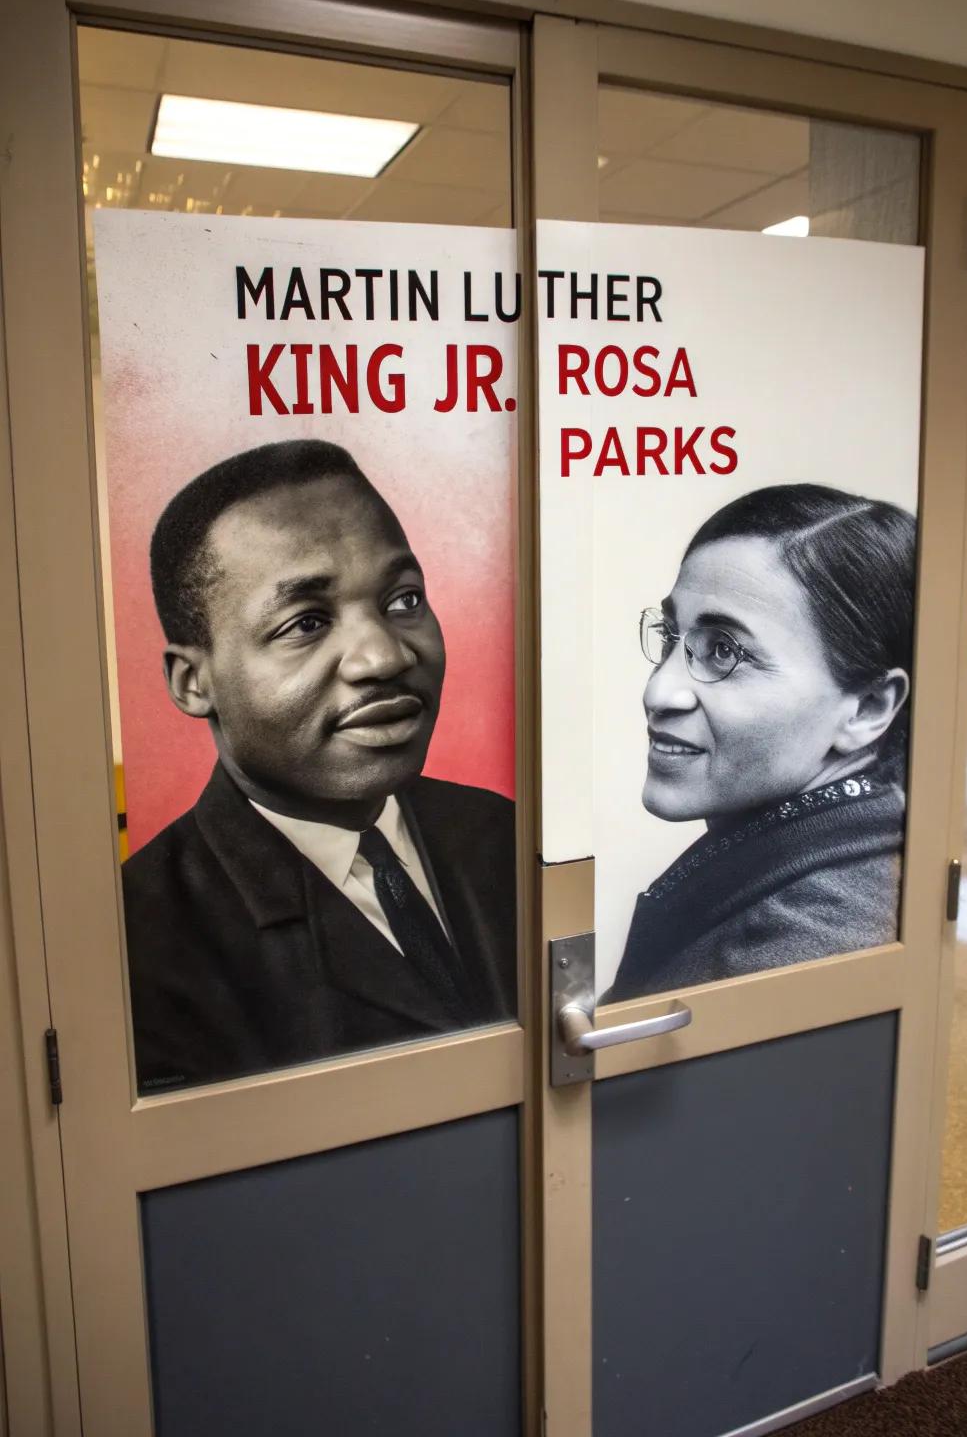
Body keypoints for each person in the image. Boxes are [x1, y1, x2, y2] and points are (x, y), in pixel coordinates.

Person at [123, 439, 516, 1092]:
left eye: (403, 601)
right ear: (194, 682)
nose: (383, 658)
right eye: (306, 622)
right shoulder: (135, 944)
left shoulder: (500, 832)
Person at [606, 483, 914, 1002]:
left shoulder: (802, 952)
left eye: (726, 651)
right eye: (670, 636)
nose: (658, 690)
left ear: (868, 708)